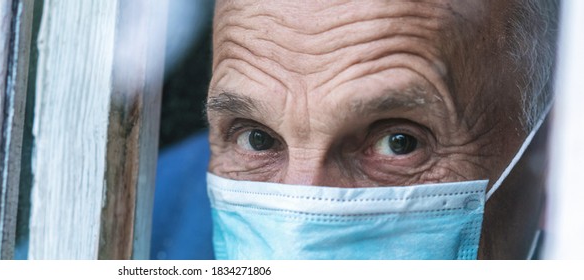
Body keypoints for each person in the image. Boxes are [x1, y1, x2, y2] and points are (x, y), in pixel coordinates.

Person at [152, 0, 559, 260]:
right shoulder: (145, 227)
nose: (299, 226)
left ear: (554, 153)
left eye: (399, 143)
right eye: (257, 138)